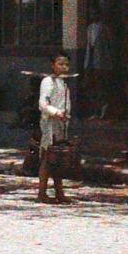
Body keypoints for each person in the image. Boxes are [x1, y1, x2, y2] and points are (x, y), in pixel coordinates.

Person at [37, 54, 74, 204]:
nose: (64, 67)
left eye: (66, 64)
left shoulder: (63, 83)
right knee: (47, 158)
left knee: (57, 159)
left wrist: (65, 115)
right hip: (49, 124)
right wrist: (56, 113)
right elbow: (43, 103)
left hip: (60, 125)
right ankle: (41, 193)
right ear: (53, 65)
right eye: (60, 64)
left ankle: (59, 192)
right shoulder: (48, 81)